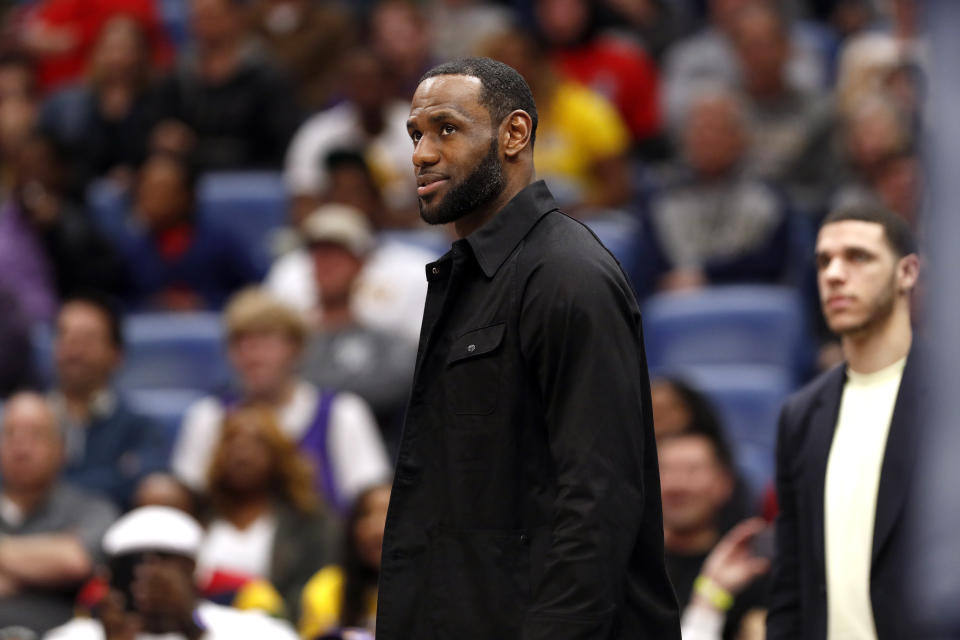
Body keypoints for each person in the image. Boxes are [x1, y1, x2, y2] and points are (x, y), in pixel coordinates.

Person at [376, 57, 680, 639]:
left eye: (446, 129)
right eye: (415, 134)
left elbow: (598, 497)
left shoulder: (569, 274)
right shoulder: (469, 278)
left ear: (514, 134)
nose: (420, 153)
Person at [766, 204, 922, 639]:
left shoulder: (950, 401)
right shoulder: (800, 415)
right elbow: (790, 586)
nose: (834, 274)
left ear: (907, 272)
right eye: (823, 261)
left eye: (858, 257)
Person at [171, 288, 391, 512]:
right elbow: (188, 503)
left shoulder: (342, 412)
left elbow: (370, 500)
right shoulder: (208, 416)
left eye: (265, 339)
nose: (252, 355)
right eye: (240, 342)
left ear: (296, 348)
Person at [44, 506, 301, 639]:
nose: (148, 576)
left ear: (194, 571)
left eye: (165, 563)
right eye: (133, 565)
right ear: (109, 577)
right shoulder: (80, 634)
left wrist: (193, 630)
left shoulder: (248, 629)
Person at [636, 88, 791, 297]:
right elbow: (650, 269)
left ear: (742, 138)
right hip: (678, 307)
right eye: (700, 130)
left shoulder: (768, 195)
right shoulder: (660, 196)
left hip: (748, 304)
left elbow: (772, 264)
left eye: (720, 130)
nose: (709, 139)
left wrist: (707, 276)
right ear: (684, 138)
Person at [195, 405, 341, 619]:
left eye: (255, 444)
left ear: (278, 455)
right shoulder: (201, 515)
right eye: (232, 443)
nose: (241, 454)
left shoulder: (310, 521)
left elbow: (317, 594)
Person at [295, 207, 419, 446]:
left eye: (337, 254)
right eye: (318, 254)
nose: (326, 264)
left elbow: (395, 387)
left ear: (361, 264)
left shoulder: (389, 344)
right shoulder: (291, 341)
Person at [0, 392, 118, 634]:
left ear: (62, 448)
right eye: (10, 434)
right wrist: (41, 570)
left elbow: (75, 560)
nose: (20, 446)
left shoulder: (92, 508)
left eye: (35, 434)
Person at [149, 0, 300, 171]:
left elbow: (280, 138)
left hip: (251, 168)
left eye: (210, 17)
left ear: (236, 18)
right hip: (190, 171)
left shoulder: (267, 76)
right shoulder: (179, 73)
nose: (201, 25)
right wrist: (166, 135)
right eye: (197, 18)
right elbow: (159, 120)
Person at [49, 293, 169, 508]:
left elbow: (143, 482)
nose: (73, 350)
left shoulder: (140, 428)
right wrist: (115, 475)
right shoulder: (24, 422)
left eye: (86, 339)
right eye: (65, 336)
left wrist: (43, 487)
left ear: (116, 354)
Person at [107, 151, 263, 311]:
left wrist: (207, 303)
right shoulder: (127, 248)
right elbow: (115, 301)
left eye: (162, 191)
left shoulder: (222, 242)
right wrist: (150, 305)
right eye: (145, 189)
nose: (150, 199)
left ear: (187, 195)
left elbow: (253, 292)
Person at [0, 132, 123, 322]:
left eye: (40, 165)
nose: (32, 175)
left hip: (74, 319)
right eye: (24, 167)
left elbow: (104, 279)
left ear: (61, 170)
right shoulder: (7, 221)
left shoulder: (88, 213)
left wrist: (57, 227)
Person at [283, 49, 417, 223]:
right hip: (337, 229)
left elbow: (442, 198)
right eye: (359, 81)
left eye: (374, 80)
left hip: (407, 232)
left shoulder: (420, 127)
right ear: (345, 86)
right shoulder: (318, 132)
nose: (367, 89)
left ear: (392, 83)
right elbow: (302, 202)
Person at [659, 431, 769, 640]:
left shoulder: (749, 569)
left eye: (693, 471)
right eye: (664, 470)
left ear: (724, 483)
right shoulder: (627, 567)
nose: (677, 484)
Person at [39, 15, 159, 191]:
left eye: (125, 49)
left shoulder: (158, 97)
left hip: (145, 188)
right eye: (111, 49)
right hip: (83, 188)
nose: (117, 58)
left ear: (141, 54)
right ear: (98, 52)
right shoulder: (71, 103)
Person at [299, 483, 390, 638]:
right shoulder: (326, 588)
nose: (376, 528)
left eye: (388, 514)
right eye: (365, 515)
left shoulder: (430, 587)